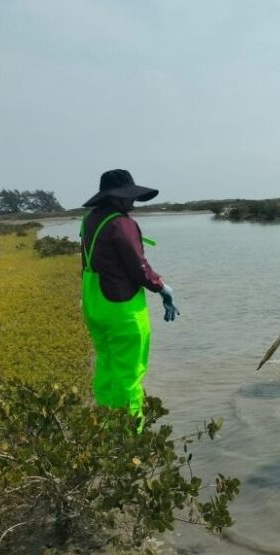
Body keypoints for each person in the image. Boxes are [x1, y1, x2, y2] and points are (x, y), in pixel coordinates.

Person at [80, 169, 180, 421]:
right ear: (116, 197)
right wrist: (161, 288)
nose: (132, 202)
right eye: (129, 196)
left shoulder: (89, 220)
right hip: (122, 310)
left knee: (106, 365)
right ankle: (129, 438)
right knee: (130, 373)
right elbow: (138, 266)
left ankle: (103, 425)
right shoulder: (121, 223)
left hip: (95, 306)